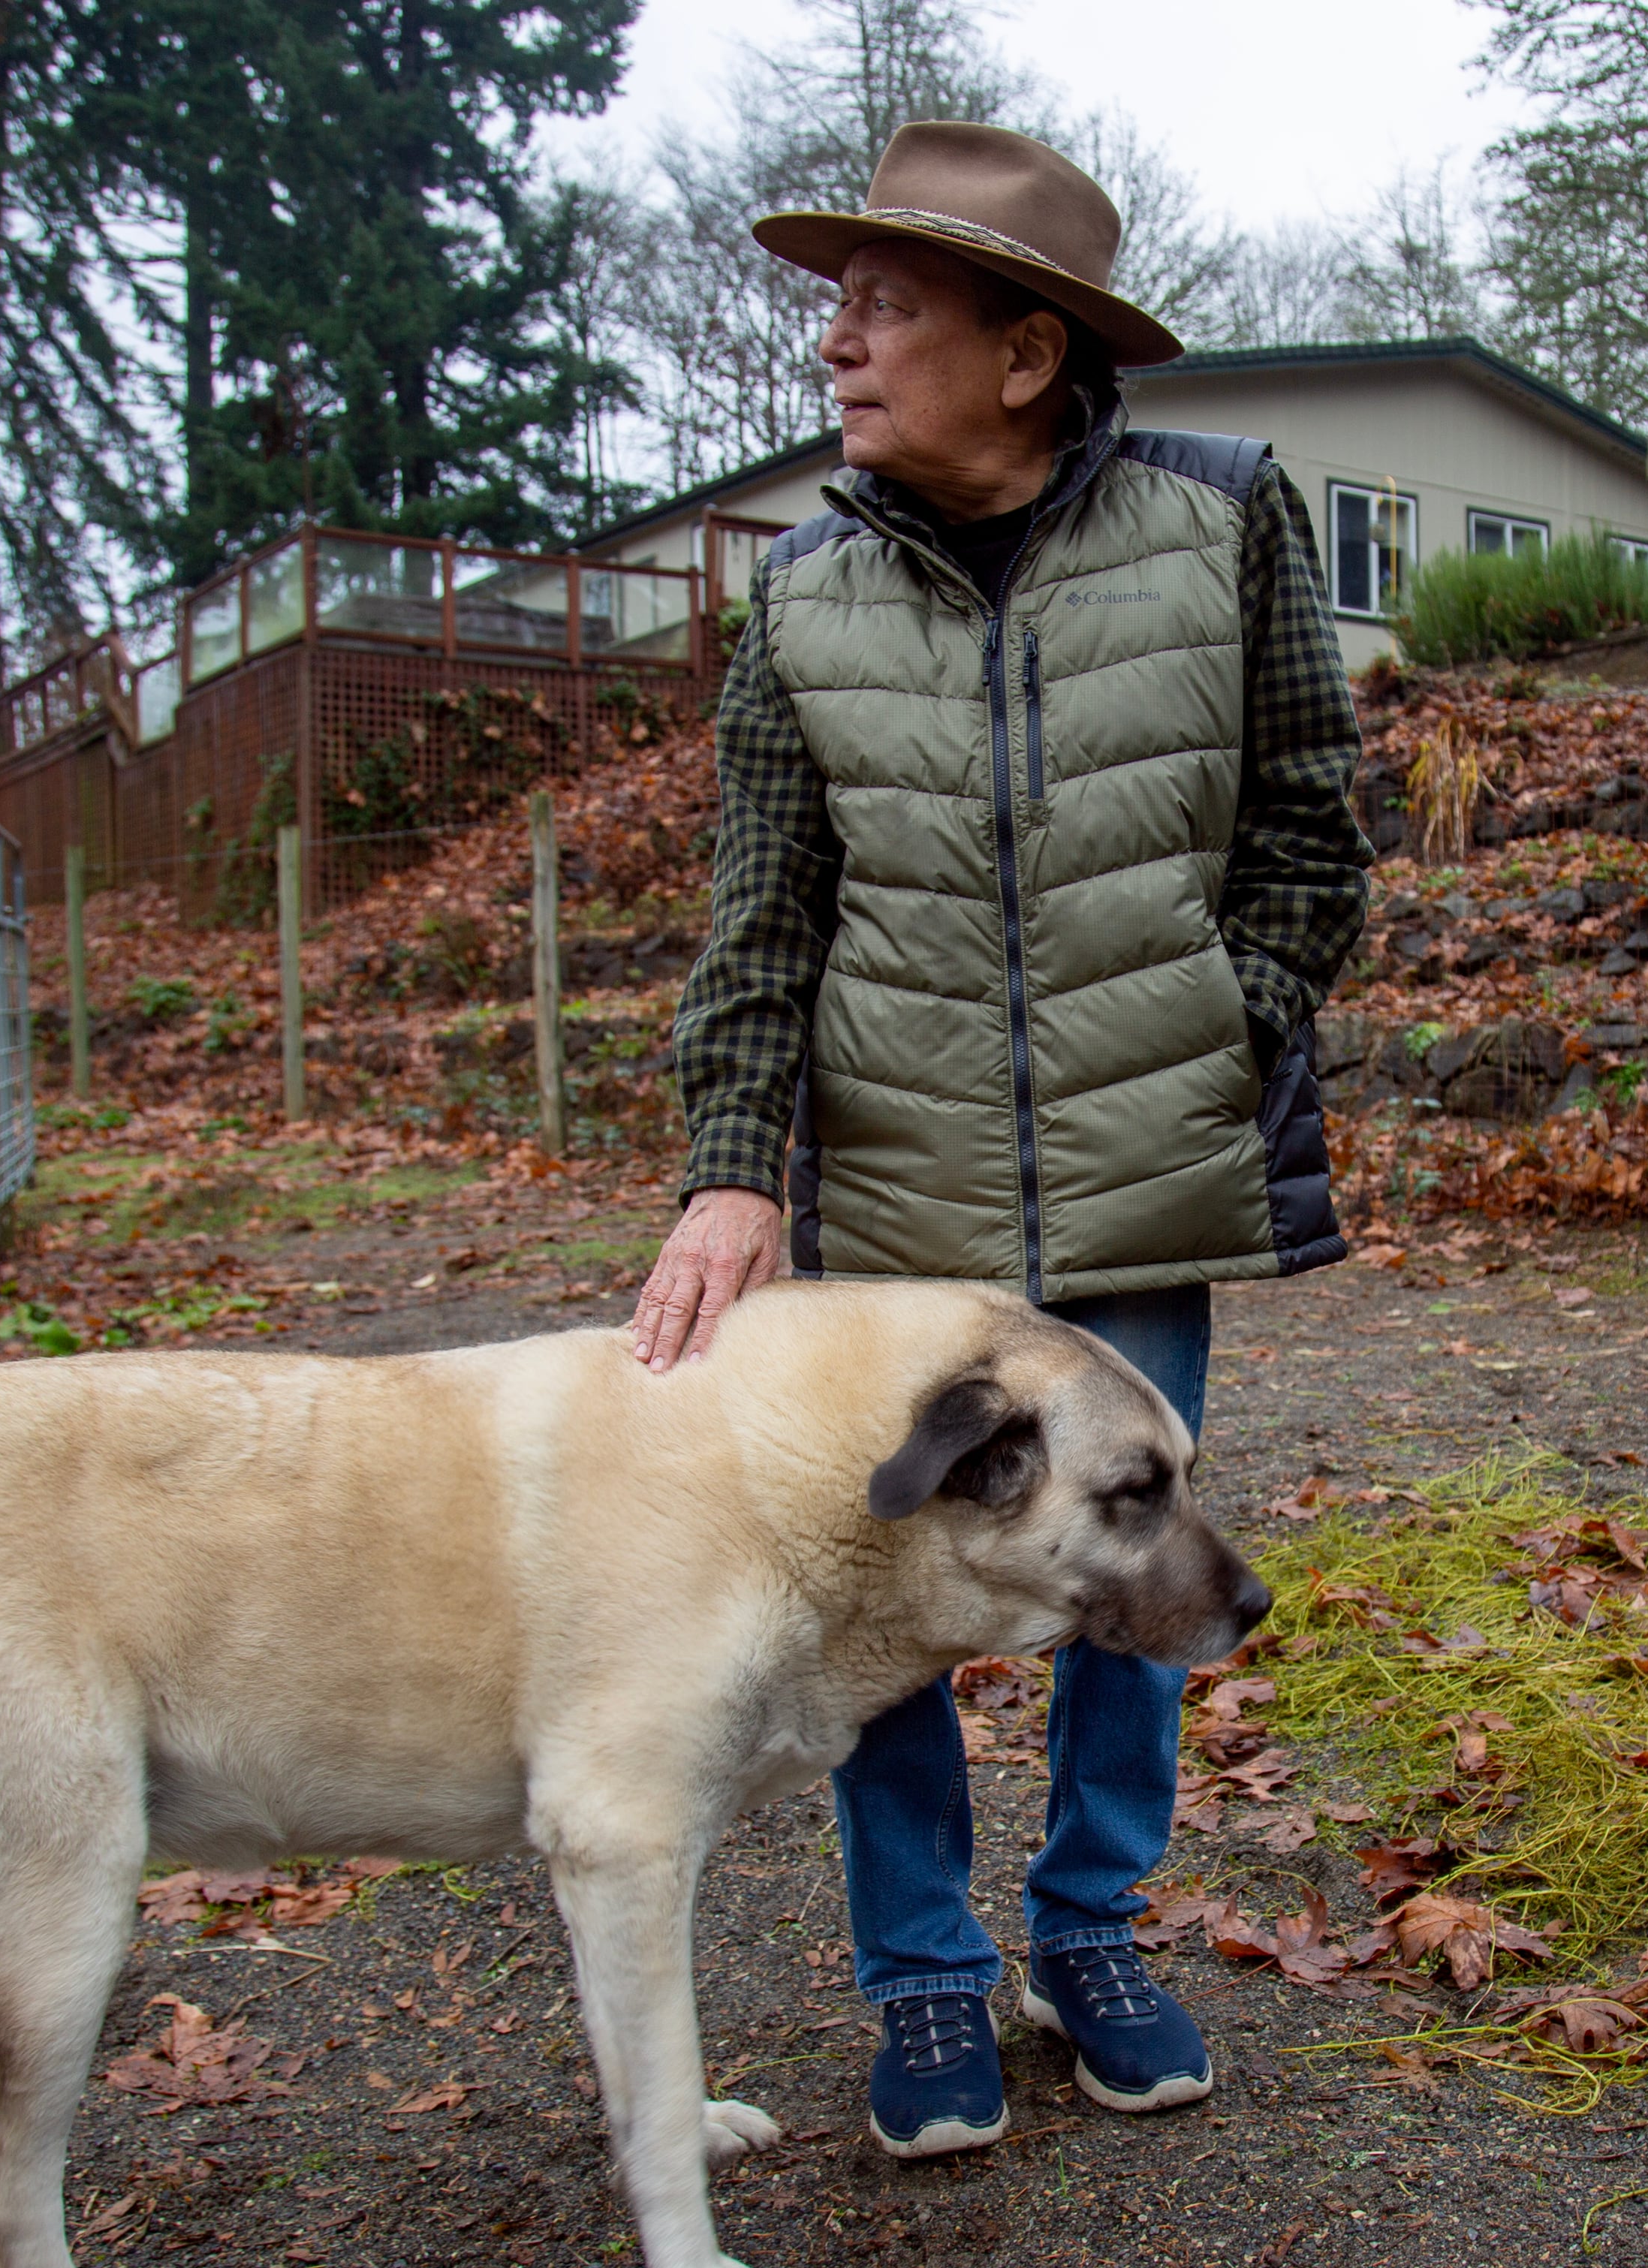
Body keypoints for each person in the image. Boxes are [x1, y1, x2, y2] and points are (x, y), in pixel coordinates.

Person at [628, 121, 1370, 2159]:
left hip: (1149, 1173)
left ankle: (1094, 1933)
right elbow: (761, 915)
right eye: (835, 306)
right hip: (894, 1210)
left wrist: (1229, 1024)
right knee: (889, 1600)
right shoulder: (803, 593)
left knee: (1130, 1567)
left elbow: (1313, 825)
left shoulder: (1223, 521)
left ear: (1028, 350)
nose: (837, 346)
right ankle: (928, 1980)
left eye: (885, 306)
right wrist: (730, 1162)